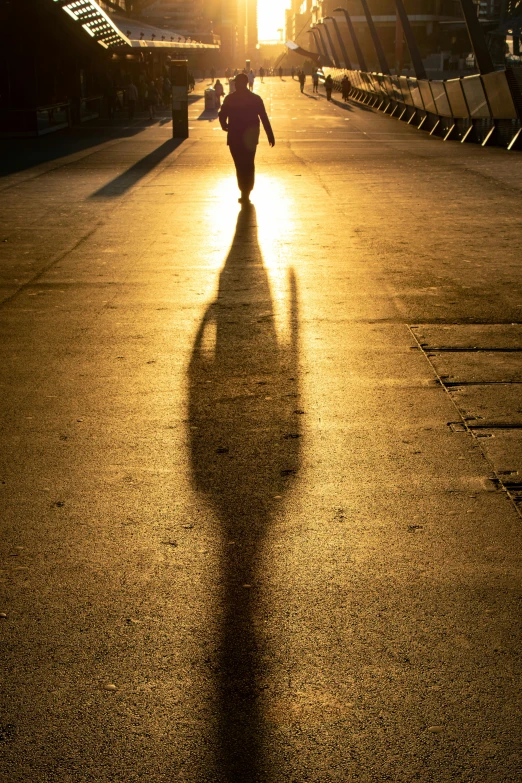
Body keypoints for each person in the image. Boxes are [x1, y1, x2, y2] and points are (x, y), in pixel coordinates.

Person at [218, 72, 275, 204]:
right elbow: (264, 117)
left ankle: (244, 191)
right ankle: (247, 191)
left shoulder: (230, 99)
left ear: (238, 84)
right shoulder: (255, 99)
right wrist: (270, 135)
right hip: (251, 137)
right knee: (249, 163)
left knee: (239, 164)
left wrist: (224, 125)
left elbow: (222, 114)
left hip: (235, 136)